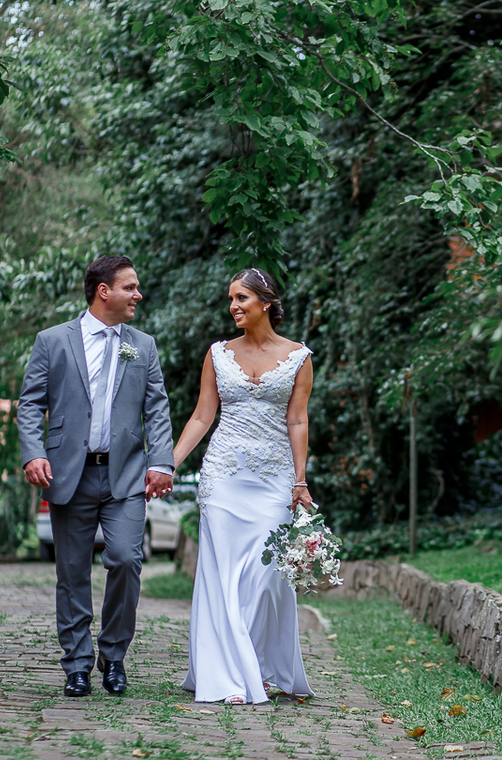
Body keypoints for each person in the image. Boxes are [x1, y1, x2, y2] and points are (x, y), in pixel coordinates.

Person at [18, 255, 175, 698]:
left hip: (125, 476)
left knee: (126, 559)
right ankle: (77, 664)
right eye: (131, 287)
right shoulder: (52, 341)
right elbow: (30, 404)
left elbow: (157, 408)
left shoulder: (143, 346)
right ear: (103, 291)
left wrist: (160, 462)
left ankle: (114, 656)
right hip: (68, 474)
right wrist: (33, 453)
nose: (138, 295)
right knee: (71, 572)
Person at [172, 267, 316, 705]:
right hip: (223, 477)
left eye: (242, 299)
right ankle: (230, 678)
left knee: (264, 575)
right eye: (231, 299)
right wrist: (169, 464)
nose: (234, 306)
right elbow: (202, 415)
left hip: (273, 478)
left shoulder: (299, 357)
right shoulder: (217, 354)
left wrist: (300, 480)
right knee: (222, 576)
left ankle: (258, 666)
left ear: (265, 303)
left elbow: (297, 419)